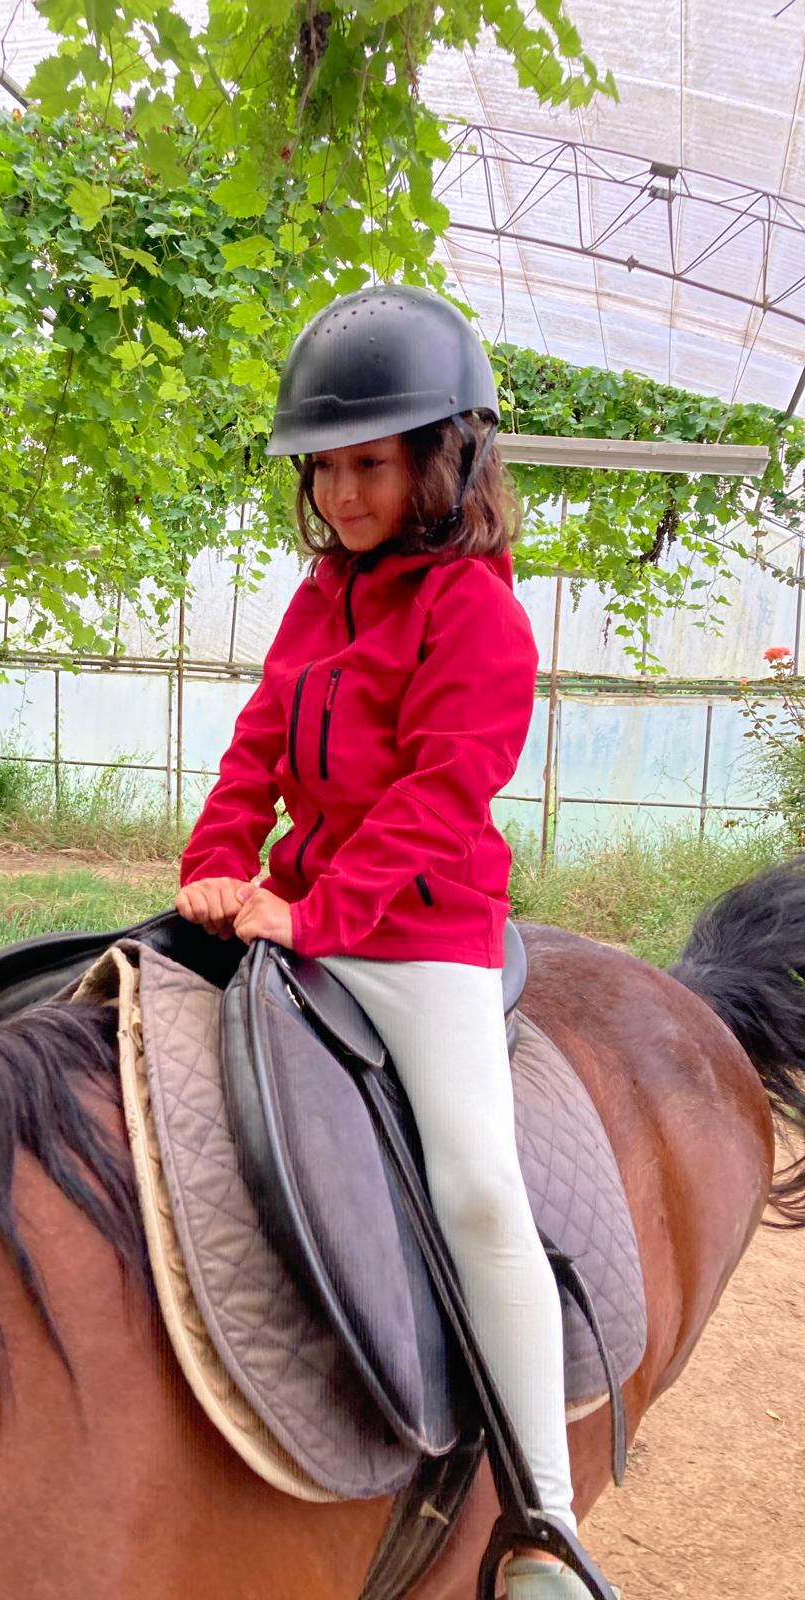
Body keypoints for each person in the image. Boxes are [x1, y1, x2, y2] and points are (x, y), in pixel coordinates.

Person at [174, 285, 608, 1599]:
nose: (343, 492)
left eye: (369, 464)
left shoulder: (479, 614)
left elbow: (441, 793)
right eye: (325, 468)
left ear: (446, 462)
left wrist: (315, 914)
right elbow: (261, 738)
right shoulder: (321, 598)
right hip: (294, 913)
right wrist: (217, 862)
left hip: (420, 940)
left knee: (477, 1186)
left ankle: (542, 1522)